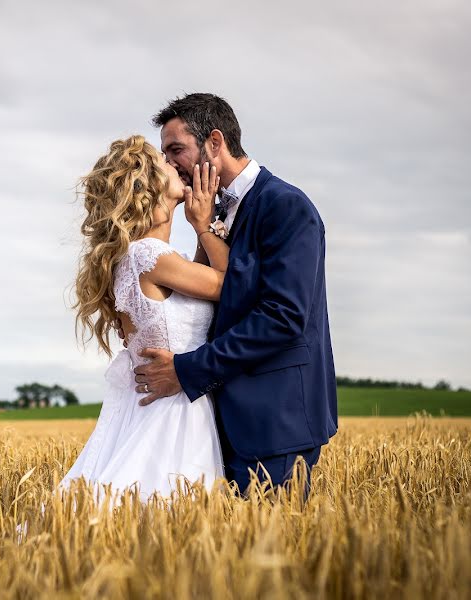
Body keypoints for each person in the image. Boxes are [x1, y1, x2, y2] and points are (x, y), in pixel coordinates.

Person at [0, 134, 233, 575]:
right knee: (153, 531)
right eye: (164, 161)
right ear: (146, 187)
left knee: (133, 531)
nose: (177, 167)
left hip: (165, 404)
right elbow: (232, 286)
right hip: (173, 412)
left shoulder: (141, 257)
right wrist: (205, 223)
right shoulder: (151, 255)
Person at [133, 93, 338, 497]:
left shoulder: (285, 207)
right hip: (218, 423)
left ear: (214, 142)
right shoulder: (211, 211)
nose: (170, 163)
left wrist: (187, 369)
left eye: (176, 150)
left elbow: (282, 317)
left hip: (275, 419)